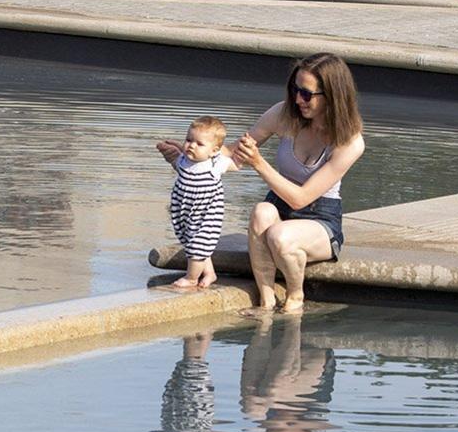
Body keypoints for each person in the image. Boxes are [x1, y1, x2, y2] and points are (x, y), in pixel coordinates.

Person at [231, 53, 365, 314]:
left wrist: (259, 163)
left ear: (333, 96)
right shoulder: (283, 114)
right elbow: (235, 154)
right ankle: (266, 300)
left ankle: (295, 297)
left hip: (320, 218)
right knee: (261, 212)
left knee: (280, 236)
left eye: (306, 93)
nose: (297, 99)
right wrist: (190, 157)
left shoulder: (350, 142)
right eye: (295, 89)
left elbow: (301, 198)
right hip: (279, 206)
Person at [156, 116, 237, 289]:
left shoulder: (216, 164)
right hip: (183, 211)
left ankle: (191, 278)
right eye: (188, 140)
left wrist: (247, 150)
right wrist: (172, 150)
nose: (191, 145)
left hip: (206, 214)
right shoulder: (184, 161)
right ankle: (209, 273)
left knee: (199, 245)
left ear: (215, 150)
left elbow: (237, 164)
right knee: (191, 242)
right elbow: (176, 163)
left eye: (199, 144)